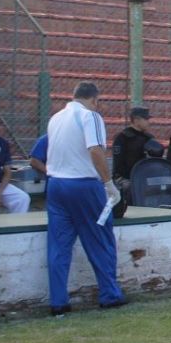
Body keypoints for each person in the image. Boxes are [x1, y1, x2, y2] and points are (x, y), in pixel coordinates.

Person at [45, 82, 126, 316]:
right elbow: (95, 150)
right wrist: (108, 183)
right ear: (94, 100)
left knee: (59, 245)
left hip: (56, 185)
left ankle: (58, 301)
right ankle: (109, 294)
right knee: (100, 239)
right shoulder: (91, 116)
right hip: (83, 185)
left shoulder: (56, 118)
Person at [111, 107, 154, 218]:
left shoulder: (148, 138)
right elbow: (118, 164)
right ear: (136, 120)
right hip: (124, 177)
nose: (148, 122)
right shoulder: (122, 138)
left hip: (143, 177)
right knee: (131, 188)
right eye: (146, 119)